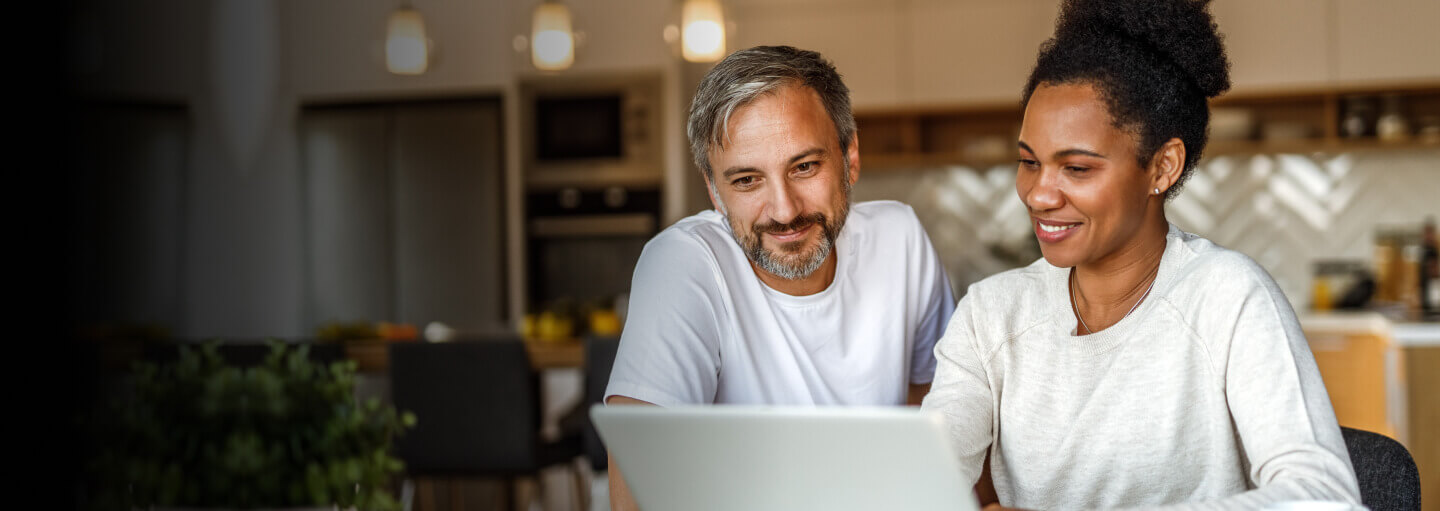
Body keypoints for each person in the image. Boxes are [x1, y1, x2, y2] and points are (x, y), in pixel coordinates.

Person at [920, 0, 1362, 509]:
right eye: (1028, 161)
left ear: (1163, 167)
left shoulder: (1227, 298)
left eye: (1077, 169)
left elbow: (1323, 496)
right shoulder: (990, 316)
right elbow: (926, 485)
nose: (1039, 194)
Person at [604, 45, 956, 509]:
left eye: (804, 167)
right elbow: (635, 494)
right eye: (747, 180)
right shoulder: (683, 263)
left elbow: (937, 410)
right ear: (713, 189)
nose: (785, 211)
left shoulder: (900, 238)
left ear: (849, 157)